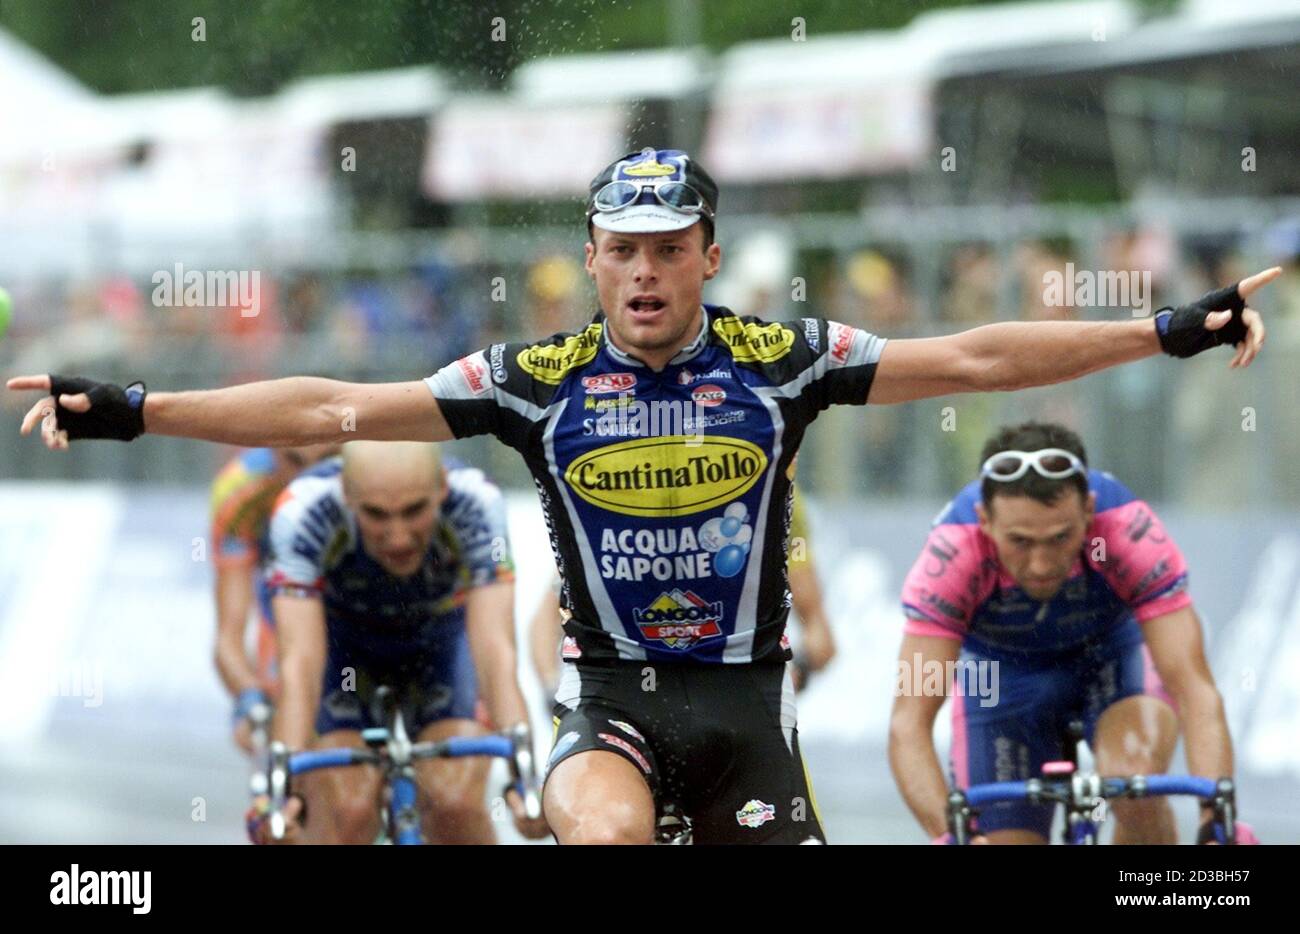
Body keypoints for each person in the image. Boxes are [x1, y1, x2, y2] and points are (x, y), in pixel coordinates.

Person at [10, 147, 1277, 844]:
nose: (647, 271)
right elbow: (332, 407)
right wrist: (136, 406)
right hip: (609, 712)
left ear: (708, 257)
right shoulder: (531, 378)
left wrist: (1158, 331)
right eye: (623, 248)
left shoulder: (784, 363)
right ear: (592, 260)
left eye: (672, 247)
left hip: (748, 717)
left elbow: (980, 358)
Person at [889, 422, 1257, 844]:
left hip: (1114, 661)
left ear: (1089, 511)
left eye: (1060, 538)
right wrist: (953, 835)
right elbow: (908, 725)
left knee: (1134, 782)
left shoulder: (1126, 529)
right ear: (984, 521)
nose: (1042, 563)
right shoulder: (950, 556)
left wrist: (1216, 825)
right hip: (1001, 680)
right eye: (1021, 542)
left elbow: (1195, 689)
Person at [251, 441, 546, 843]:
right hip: (344, 655)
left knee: (455, 801)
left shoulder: (477, 502)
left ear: (442, 488)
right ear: (347, 498)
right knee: (348, 811)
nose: (398, 536)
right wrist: (283, 794)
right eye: (376, 514)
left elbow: (495, 650)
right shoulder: (301, 511)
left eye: (415, 510)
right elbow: (300, 663)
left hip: (438, 646)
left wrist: (524, 778)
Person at [528, 471, 835, 696]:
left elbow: (821, 637)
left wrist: (795, 672)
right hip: (634, 690)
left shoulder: (774, 494)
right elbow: (548, 615)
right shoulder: (628, 489)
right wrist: (552, 688)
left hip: (734, 693)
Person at [210, 444, 337, 753]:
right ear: (271, 449)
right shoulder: (242, 490)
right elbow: (229, 639)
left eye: (327, 460)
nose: (309, 478)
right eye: (294, 460)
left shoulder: (371, 478)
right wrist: (252, 697)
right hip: (286, 611)